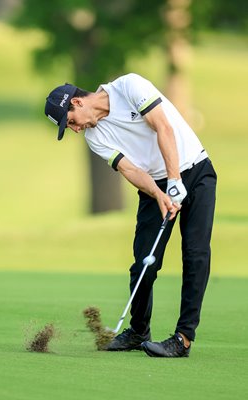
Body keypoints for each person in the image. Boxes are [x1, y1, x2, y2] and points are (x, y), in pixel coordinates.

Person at [44, 73, 217, 357]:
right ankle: (138, 331)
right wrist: (161, 194)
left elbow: (163, 127)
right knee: (144, 265)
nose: (75, 129)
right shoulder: (94, 137)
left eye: (71, 121)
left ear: (76, 101)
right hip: (155, 185)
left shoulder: (129, 86)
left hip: (195, 170)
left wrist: (175, 181)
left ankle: (183, 338)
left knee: (195, 254)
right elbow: (130, 170)